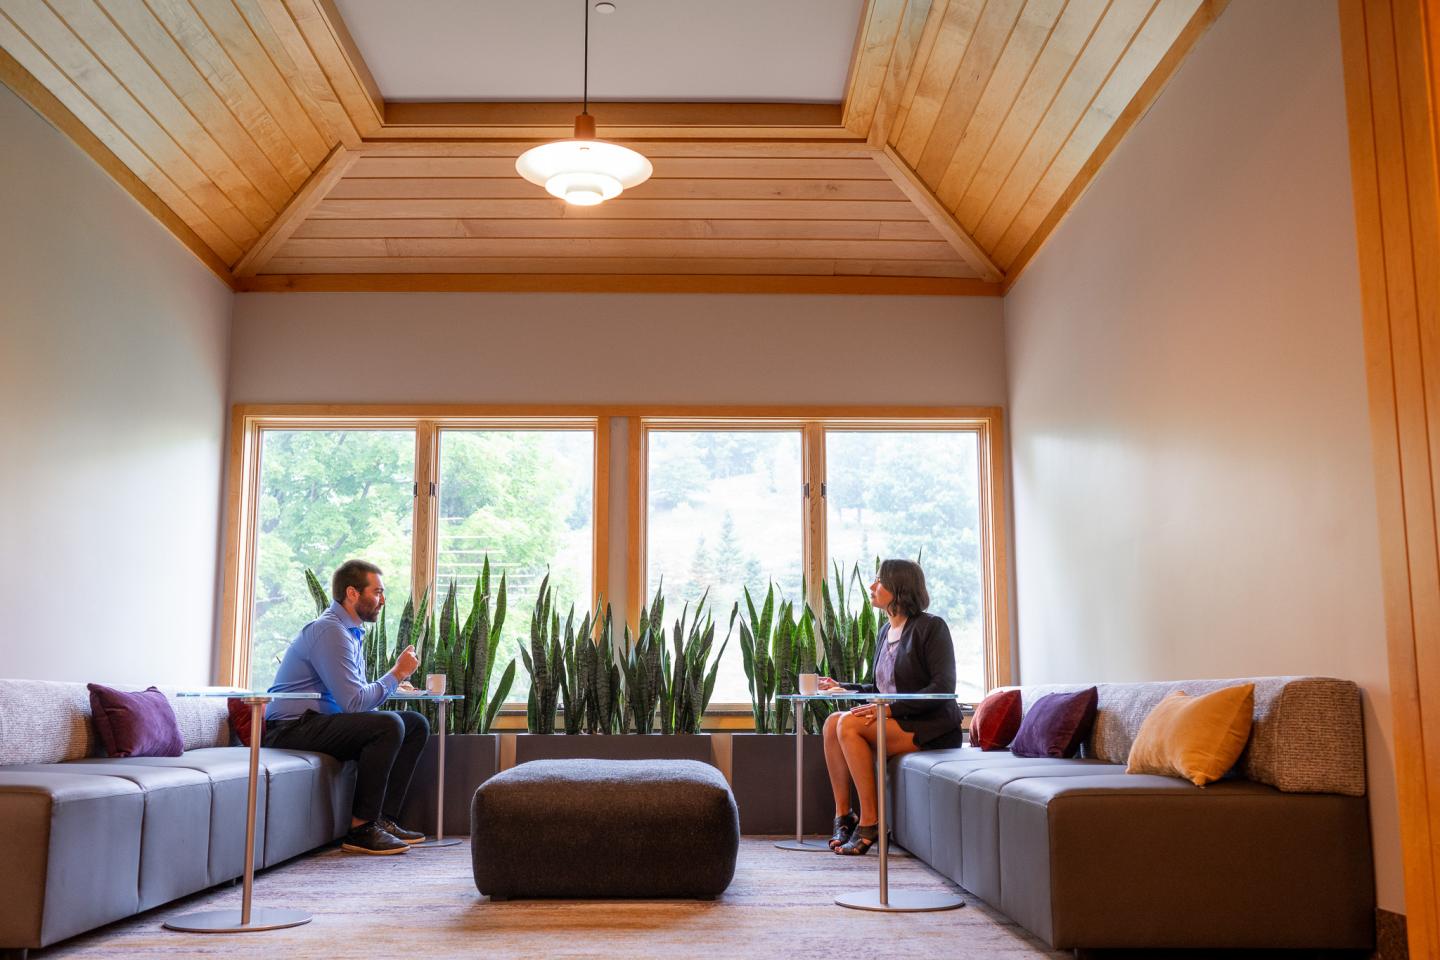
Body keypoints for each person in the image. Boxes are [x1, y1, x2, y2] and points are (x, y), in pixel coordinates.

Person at [265, 559, 429, 856]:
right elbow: (354, 703)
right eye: (377, 592)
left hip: (318, 722)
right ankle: (360, 829)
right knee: (389, 724)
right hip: (290, 727)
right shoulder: (330, 631)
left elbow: (357, 699)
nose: (383, 600)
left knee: (415, 723)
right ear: (352, 593)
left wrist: (394, 679)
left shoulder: (350, 631)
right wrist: (397, 673)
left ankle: (383, 819)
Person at [818, 558, 963, 855]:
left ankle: (871, 821)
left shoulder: (931, 627)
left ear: (899, 588)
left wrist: (889, 710)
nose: (872, 586)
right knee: (833, 722)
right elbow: (881, 689)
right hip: (897, 719)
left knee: (848, 724)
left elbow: (943, 688)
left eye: (880, 581)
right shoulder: (886, 631)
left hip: (930, 726)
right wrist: (843, 687)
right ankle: (844, 816)